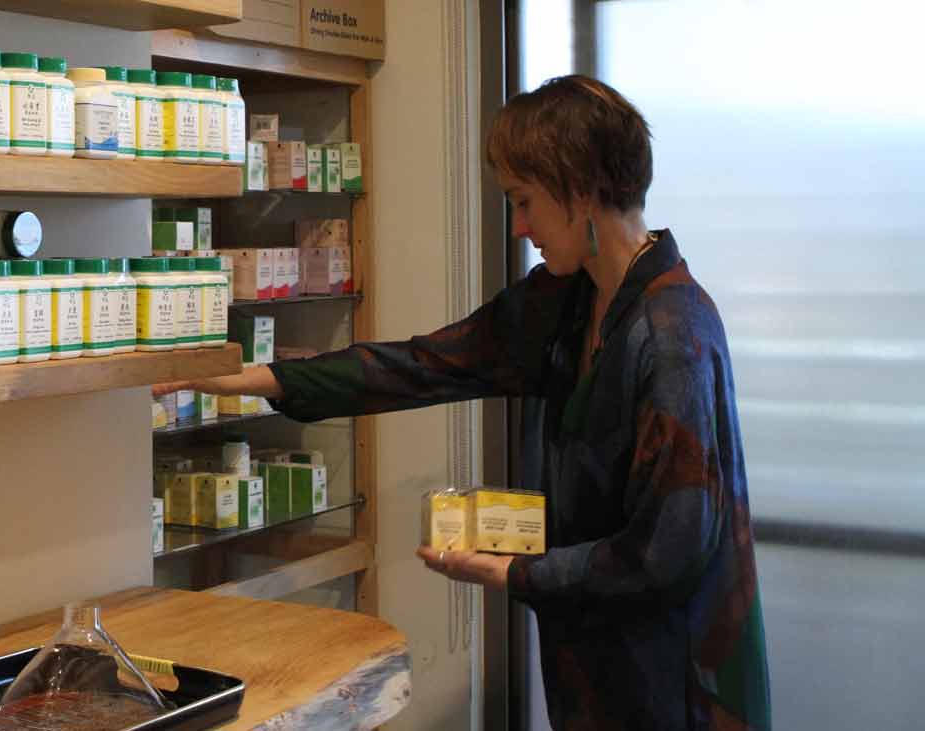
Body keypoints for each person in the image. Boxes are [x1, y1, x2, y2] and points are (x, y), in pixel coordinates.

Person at [158, 76, 770, 731]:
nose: (521, 227)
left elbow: (667, 551)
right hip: (592, 668)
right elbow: (423, 364)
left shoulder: (674, 334)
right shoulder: (568, 301)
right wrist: (256, 378)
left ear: (583, 188)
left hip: (676, 686)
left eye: (525, 201)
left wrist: (515, 573)